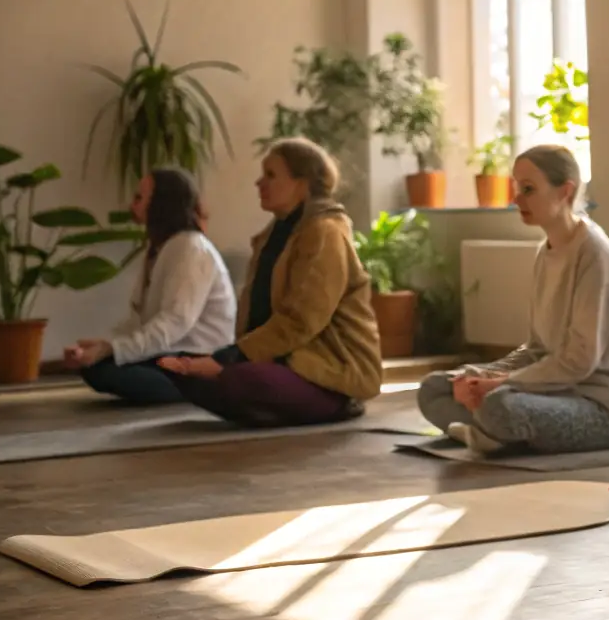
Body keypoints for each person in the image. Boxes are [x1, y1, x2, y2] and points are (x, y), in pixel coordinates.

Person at [418, 144, 609, 455]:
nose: (516, 198)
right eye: (516, 187)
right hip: (551, 394)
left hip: (602, 409)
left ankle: (489, 433)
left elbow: (579, 361)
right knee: (436, 388)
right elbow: (537, 349)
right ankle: (491, 435)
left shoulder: (595, 256)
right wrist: (481, 376)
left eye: (528, 189)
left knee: (499, 405)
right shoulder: (546, 251)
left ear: (564, 191)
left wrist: (501, 384)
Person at [159, 138, 382, 427]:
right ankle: (268, 405)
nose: (259, 183)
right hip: (276, 361)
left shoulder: (324, 233)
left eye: (271, 175)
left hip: (326, 368)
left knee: (235, 378)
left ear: (302, 184)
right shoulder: (272, 235)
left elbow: (301, 320)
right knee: (183, 371)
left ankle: (327, 404)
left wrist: (231, 358)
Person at [63, 168, 235, 406]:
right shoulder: (163, 248)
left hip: (195, 359)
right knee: (94, 366)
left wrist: (113, 349)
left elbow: (174, 323)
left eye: (139, 198)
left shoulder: (191, 248)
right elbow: (141, 319)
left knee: (107, 371)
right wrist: (103, 346)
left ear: (161, 203)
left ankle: (194, 389)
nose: (132, 205)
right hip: (169, 353)